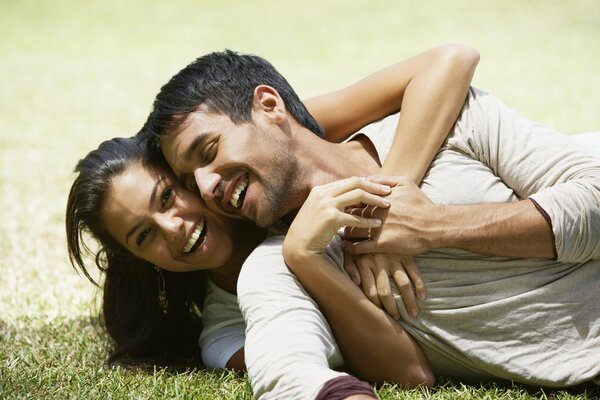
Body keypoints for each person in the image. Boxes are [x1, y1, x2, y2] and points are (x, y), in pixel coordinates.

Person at [140, 46, 600, 399]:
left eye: (208, 151)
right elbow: (289, 367)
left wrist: (431, 225)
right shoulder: (278, 265)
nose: (204, 188)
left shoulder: (454, 121)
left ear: (269, 106)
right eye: (188, 180)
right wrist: (306, 257)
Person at [67, 45, 479, 385]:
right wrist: (306, 259)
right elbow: (351, 365)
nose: (173, 226)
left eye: (170, 195)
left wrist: (386, 211)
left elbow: (450, 61)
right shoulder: (228, 330)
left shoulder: (258, 146)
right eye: (143, 236)